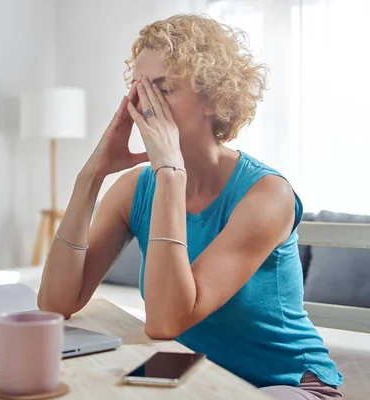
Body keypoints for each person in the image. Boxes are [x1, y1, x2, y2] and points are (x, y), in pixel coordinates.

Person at [36, 13, 344, 400]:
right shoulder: (136, 188)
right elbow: (55, 303)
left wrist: (169, 173)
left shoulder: (268, 196)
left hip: (283, 382)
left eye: (163, 90)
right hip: (193, 376)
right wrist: (91, 177)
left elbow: (165, 321)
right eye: (138, 89)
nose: (144, 106)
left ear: (213, 100)